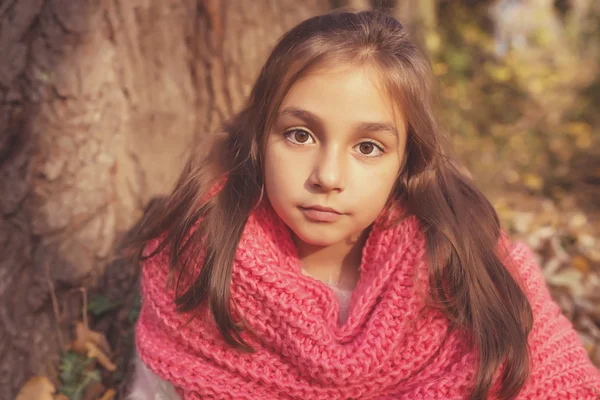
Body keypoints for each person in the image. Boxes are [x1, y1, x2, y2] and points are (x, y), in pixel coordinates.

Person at [127, 9, 600, 400]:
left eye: (368, 147)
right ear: (260, 138)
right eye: (300, 135)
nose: (328, 177)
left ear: (406, 161)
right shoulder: (198, 263)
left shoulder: (473, 266)